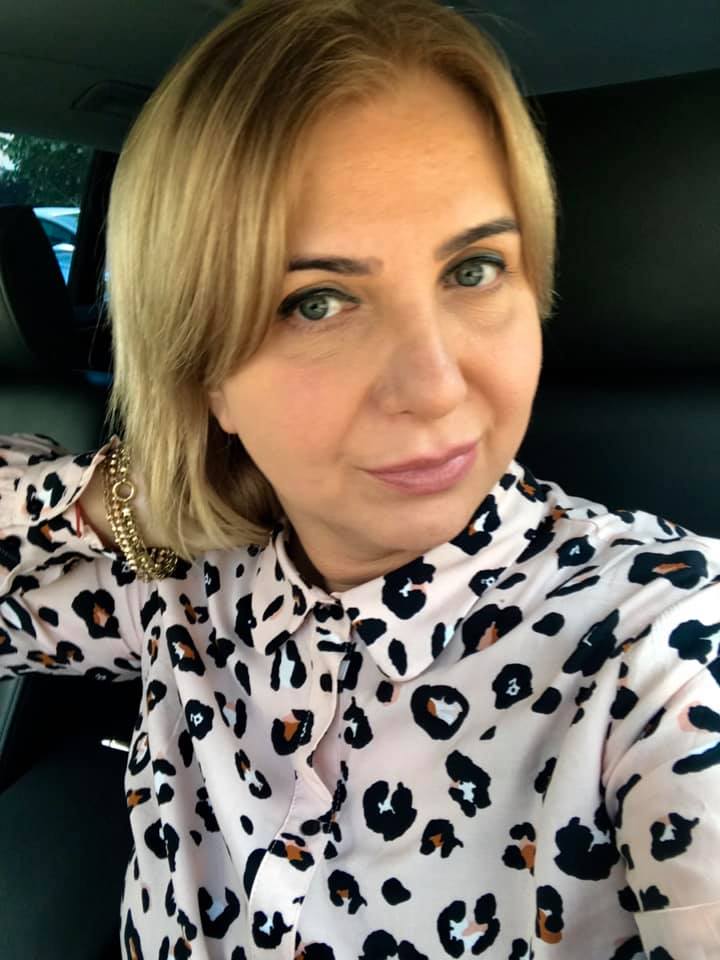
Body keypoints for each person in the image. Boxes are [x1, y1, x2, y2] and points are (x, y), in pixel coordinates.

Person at [1, 0, 718, 957]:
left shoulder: (665, 657)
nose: (434, 386)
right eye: (317, 301)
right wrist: (137, 494)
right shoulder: (186, 589)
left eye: (474, 269)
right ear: (203, 374)